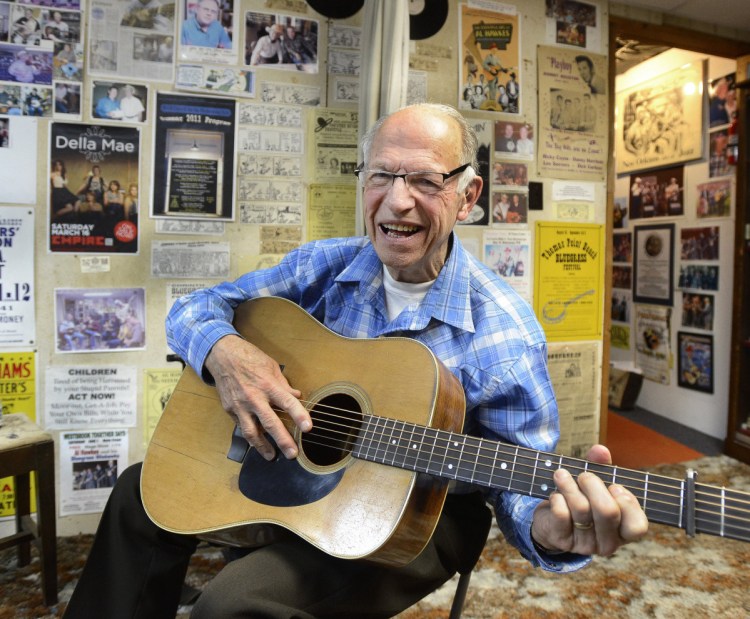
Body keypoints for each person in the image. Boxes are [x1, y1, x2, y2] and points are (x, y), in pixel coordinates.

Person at [64, 103, 648, 619]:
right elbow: (197, 307)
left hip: (416, 515)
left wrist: (549, 528)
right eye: (382, 177)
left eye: (425, 180)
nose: (398, 201)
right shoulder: (323, 264)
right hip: (298, 465)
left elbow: (523, 479)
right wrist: (226, 352)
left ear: (468, 197)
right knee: (141, 493)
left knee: (234, 603)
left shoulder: (505, 332)